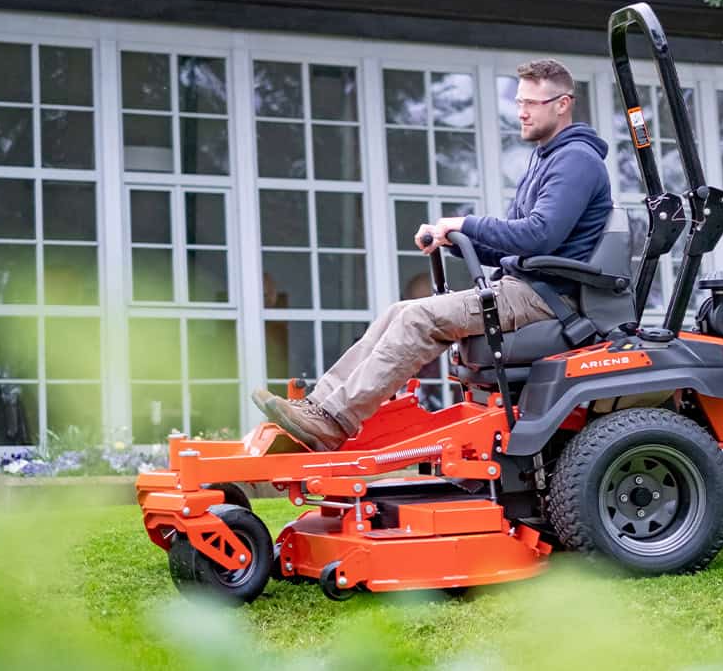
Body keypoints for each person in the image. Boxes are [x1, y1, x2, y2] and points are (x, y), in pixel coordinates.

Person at [252, 58, 613, 451]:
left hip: (546, 297)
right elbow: (518, 243)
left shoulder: (576, 160)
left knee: (419, 318)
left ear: (562, 104)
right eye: (519, 101)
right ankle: (320, 407)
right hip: (525, 286)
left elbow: (540, 235)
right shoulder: (548, 157)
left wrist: (465, 225)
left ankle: (335, 419)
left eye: (532, 103)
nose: (521, 111)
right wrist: (453, 241)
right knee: (400, 311)